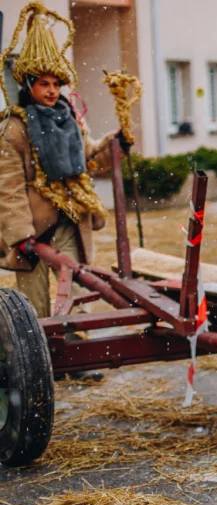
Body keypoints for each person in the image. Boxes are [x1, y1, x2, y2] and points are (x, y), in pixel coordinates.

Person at [0, 2, 125, 324]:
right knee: (34, 307)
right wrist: (21, 237)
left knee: (78, 295)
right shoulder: (14, 128)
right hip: (32, 231)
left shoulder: (70, 120)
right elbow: (9, 189)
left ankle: (76, 343)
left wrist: (118, 144)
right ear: (29, 86)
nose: (53, 91)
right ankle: (41, 349)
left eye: (56, 84)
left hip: (70, 221)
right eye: (45, 84)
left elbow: (89, 158)